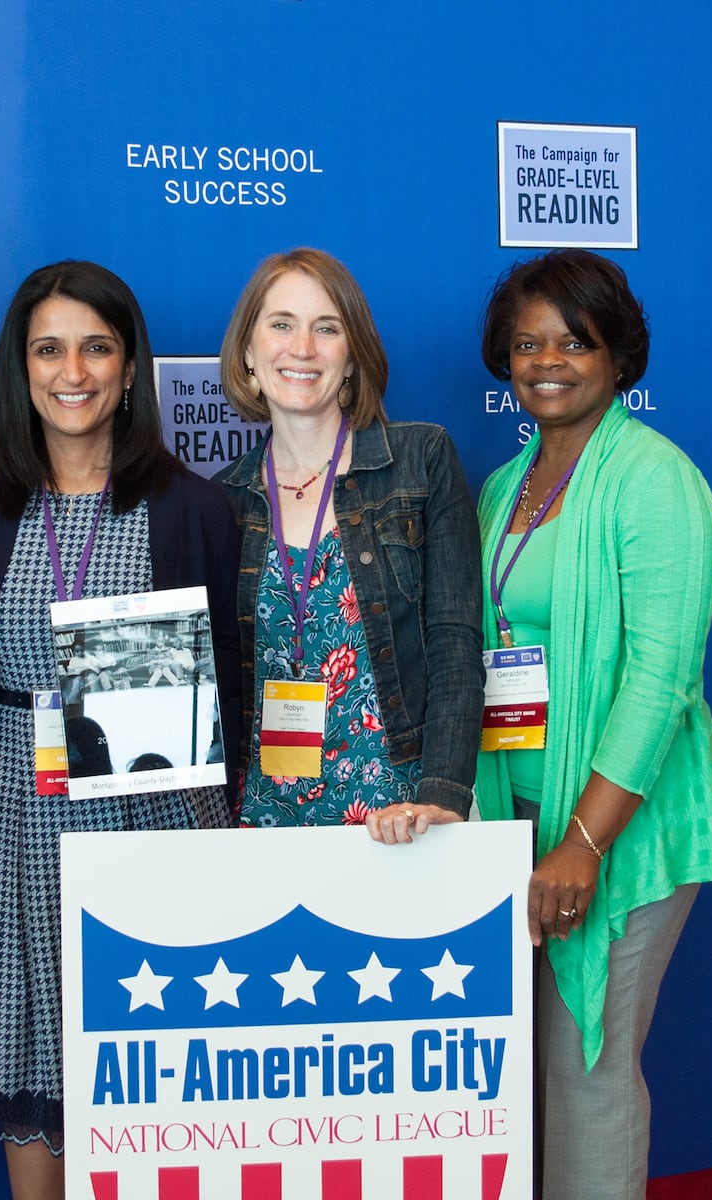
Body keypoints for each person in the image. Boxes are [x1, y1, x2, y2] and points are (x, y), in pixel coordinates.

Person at [0, 261, 239, 1200]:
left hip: (147, 811)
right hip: (8, 808)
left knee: (148, 1063)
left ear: (131, 367)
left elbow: (220, 677)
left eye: (97, 347)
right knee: (30, 1047)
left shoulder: (191, 506)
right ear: (20, 368)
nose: (74, 371)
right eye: (49, 348)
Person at [474, 249, 712, 1200]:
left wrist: (582, 844)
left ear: (619, 355)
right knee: (528, 1072)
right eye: (526, 343)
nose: (547, 360)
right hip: (521, 818)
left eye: (574, 341)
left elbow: (661, 677)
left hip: (621, 827)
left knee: (588, 1069)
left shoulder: (653, 481)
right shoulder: (506, 487)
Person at [214, 248, 483, 836]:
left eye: (327, 328)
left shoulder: (420, 461)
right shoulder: (220, 501)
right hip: (258, 817)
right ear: (248, 354)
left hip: (399, 816)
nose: (303, 348)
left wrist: (443, 795)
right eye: (281, 324)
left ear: (353, 356)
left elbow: (455, 643)